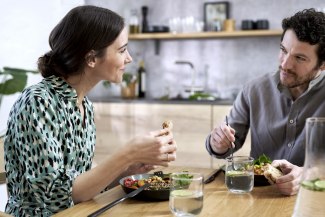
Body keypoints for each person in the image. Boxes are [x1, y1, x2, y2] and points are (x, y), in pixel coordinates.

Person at [4, 5, 177, 216]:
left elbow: (83, 188)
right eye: (122, 50)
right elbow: (56, 199)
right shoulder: (38, 103)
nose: (129, 58)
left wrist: (130, 168)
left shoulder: (83, 104)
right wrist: (127, 153)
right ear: (91, 58)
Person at [206, 8, 325, 196]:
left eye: (300, 58)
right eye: (283, 51)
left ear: (322, 64)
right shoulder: (254, 89)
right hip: (259, 196)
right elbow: (225, 145)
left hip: (315, 196)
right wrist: (217, 143)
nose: (285, 64)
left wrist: (307, 175)